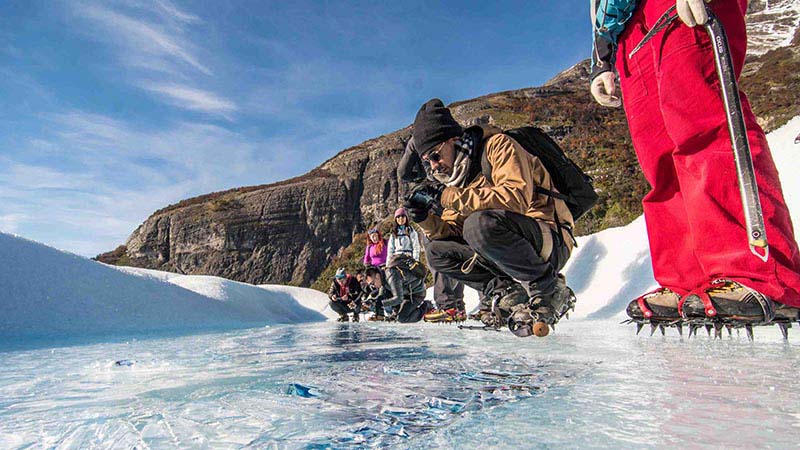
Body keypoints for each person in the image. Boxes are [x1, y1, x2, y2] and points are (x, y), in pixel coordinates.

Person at [590, 0, 800, 326]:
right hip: (626, 28)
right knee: (659, 157)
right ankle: (688, 280)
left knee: (703, 119)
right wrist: (602, 56)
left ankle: (757, 270)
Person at [403, 98, 576, 337]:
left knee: (478, 225)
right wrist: (423, 218)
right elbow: (453, 231)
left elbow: (516, 197)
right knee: (436, 250)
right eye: (427, 162)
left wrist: (448, 196)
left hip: (548, 238)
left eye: (435, 155)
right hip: (510, 251)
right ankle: (506, 292)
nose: (434, 166)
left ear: (453, 140)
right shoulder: (457, 177)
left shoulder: (498, 146)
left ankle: (548, 288)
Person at [399, 138, 468, 323]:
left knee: (440, 260)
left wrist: (416, 142)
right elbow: (404, 173)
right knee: (450, 260)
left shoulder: (441, 158)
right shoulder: (427, 164)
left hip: (444, 211)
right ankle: (456, 306)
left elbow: (404, 172)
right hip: (435, 211)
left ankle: (449, 306)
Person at [364, 266, 431, 323]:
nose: (373, 287)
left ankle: (426, 307)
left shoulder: (391, 276)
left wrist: (382, 303)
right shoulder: (383, 279)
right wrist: (375, 303)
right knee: (383, 297)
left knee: (402, 318)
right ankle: (397, 311)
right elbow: (382, 297)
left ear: (377, 276)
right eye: (371, 285)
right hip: (406, 294)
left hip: (416, 293)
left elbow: (398, 298)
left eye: (372, 283)